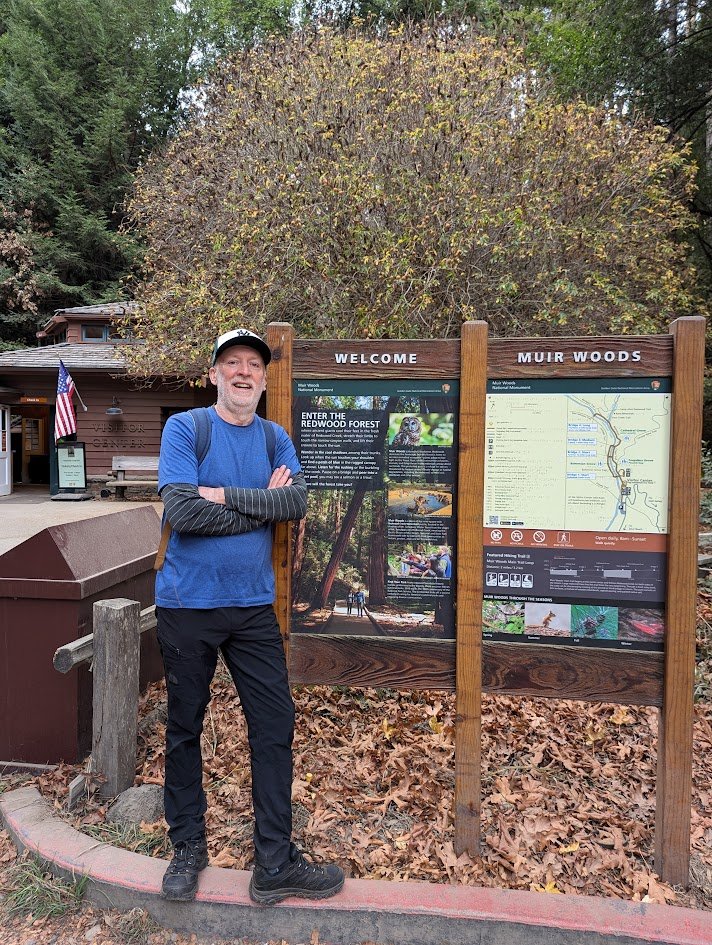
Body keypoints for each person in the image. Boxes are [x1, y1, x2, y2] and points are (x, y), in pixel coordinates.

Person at [156, 328, 344, 905]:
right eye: (231, 363)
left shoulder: (274, 436)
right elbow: (182, 511)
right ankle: (187, 847)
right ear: (214, 374)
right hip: (188, 604)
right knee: (185, 727)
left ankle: (274, 863)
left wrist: (223, 495)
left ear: (264, 379)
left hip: (253, 609)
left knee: (274, 726)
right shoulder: (187, 428)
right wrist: (255, 501)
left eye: (253, 366)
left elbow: (296, 503)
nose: (243, 372)